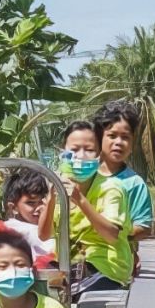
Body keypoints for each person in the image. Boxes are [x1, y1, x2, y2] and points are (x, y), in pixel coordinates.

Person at [59, 120, 133, 292]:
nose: (81, 155)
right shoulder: (57, 184)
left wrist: (80, 200)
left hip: (104, 267)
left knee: (67, 292)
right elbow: (44, 234)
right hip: (68, 264)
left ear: (100, 154)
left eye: (89, 150)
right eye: (75, 150)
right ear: (63, 152)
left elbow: (111, 235)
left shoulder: (111, 188)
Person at [93, 101, 155, 272]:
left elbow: (143, 228)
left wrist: (108, 233)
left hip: (113, 266)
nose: (119, 142)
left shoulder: (134, 184)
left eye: (125, 137)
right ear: (99, 137)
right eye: (112, 136)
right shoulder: (83, 176)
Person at [0, 165, 57, 269]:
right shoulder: (13, 229)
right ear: (13, 208)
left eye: (42, 201)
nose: (39, 207)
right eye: (31, 203)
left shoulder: (52, 226)